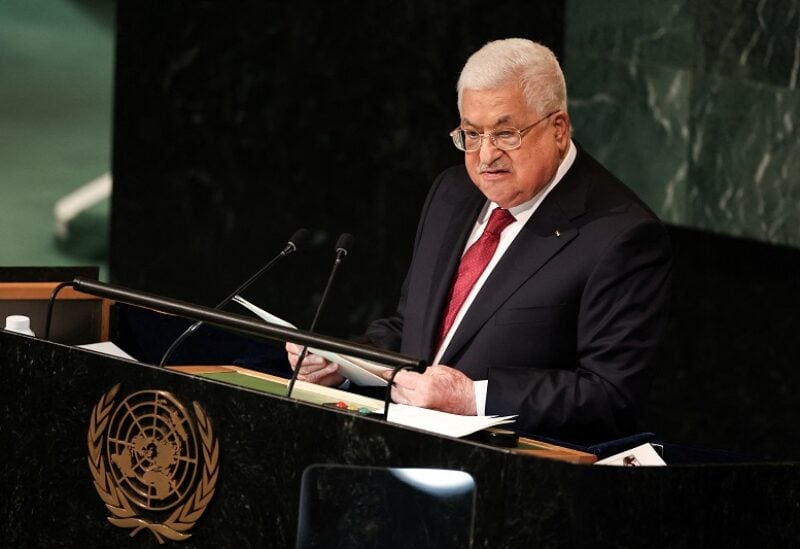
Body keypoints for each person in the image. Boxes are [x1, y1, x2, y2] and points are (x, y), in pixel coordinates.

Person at [286, 38, 671, 444]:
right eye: (471, 133)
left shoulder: (620, 235)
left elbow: (611, 396)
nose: (485, 156)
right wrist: (344, 360)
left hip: (514, 476)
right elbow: (411, 328)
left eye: (505, 133)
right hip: (399, 448)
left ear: (558, 129)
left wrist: (474, 398)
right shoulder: (452, 192)